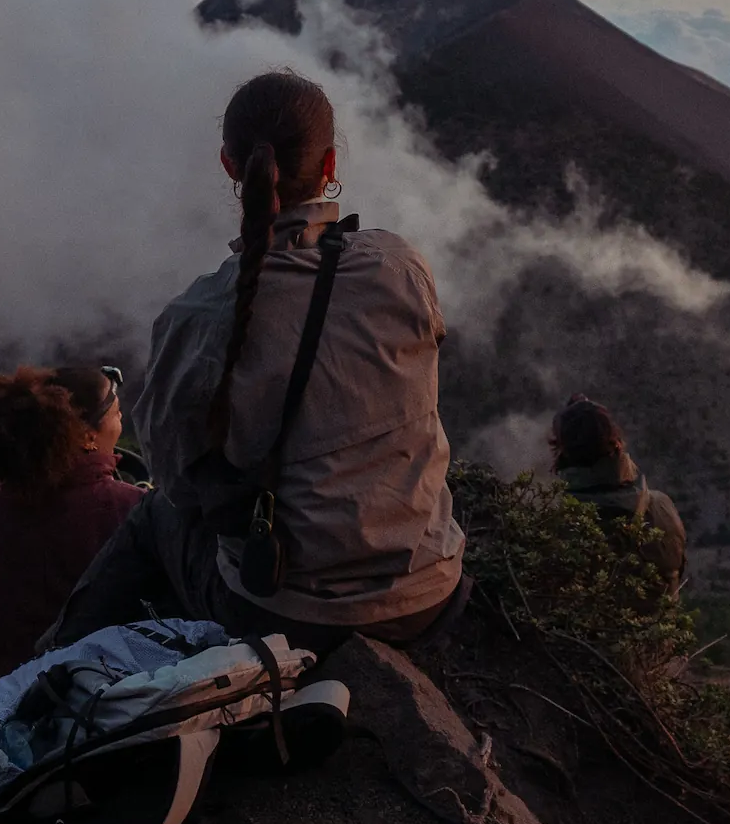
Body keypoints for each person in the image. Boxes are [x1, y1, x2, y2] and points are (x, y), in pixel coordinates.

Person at [49, 69, 464, 656]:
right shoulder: (400, 267)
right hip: (428, 593)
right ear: (329, 167)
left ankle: (48, 674)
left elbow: (178, 482)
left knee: (153, 517)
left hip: (288, 611)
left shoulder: (195, 317)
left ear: (229, 166)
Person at [0, 364, 148, 676]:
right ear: (87, 435)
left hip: (9, 687)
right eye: (115, 413)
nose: (121, 419)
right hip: (104, 690)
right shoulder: (130, 507)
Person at [546, 396, 687, 594]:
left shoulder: (551, 526)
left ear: (561, 452)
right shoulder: (661, 507)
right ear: (617, 443)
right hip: (657, 624)